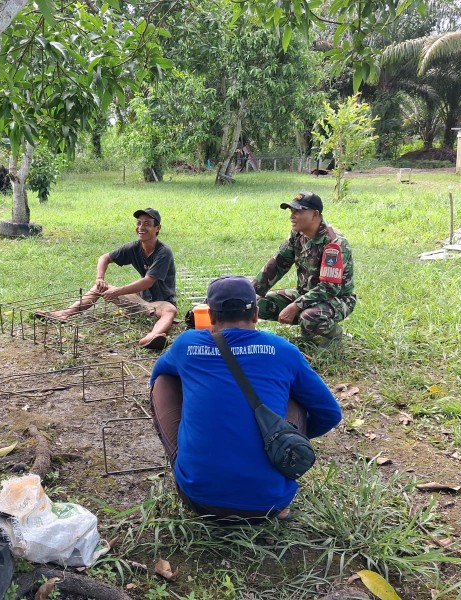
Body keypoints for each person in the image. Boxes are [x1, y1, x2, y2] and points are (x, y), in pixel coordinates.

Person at [149, 276, 342, 522]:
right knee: (294, 393)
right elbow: (330, 413)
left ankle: (192, 463)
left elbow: (158, 373)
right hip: (271, 503)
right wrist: (279, 436)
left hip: (198, 499)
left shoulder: (187, 344)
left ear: (210, 316)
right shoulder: (283, 350)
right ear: (256, 314)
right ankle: (274, 470)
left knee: (164, 380)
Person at [44, 208, 177, 350]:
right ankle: (65, 313)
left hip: (159, 304)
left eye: (147, 224)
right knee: (100, 288)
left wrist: (118, 291)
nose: (141, 227)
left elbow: (148, 281)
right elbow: (104, 258)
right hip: (139, 302)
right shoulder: (133, 247)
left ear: (157, 228)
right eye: (138, 223)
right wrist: (100, 278)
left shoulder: (163, 252)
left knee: (170, 310)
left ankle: (153, 336)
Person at [253, 191, 355, 346]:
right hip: (305, 294)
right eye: (291, 211)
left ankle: (332, 337)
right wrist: (250, 293)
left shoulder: (334, 244)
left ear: (315, 214)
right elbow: (276, 265)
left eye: (298, 211)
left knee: (310, 317)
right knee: (255, 304)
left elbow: (329, 289)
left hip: (335, 299)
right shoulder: (297, 235)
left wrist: (295, 306)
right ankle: (309, 328)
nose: (292, 216)